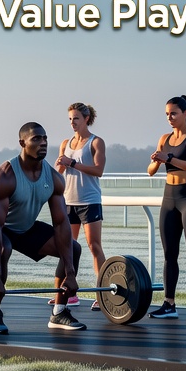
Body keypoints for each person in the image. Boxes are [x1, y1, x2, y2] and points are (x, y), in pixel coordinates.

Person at [0, 122, 84, 334]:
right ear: (22, 143)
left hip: (24, 228)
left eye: (45, 138)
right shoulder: (4, 176)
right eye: (36, 138)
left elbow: (61, 223)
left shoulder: (53, 178)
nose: (43, 143)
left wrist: (70, 273)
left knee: (73, 248)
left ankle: (59, 311)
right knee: (4, 248)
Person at [147, 95, 186, 322]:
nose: (170, 118)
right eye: (167, 114)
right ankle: (169, 304)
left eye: (173, 113)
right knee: (169, 254)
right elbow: (151, 171)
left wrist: (170, 158)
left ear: (185, 113)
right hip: (169, 198)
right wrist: (157, 160)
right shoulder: (164, 139)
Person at [55, 104, 105, 310]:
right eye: (70, 119)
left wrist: (73, 163)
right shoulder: (65, 143)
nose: (72, 122)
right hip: (69, 202)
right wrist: (61, 164)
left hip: (90, 201)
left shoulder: (96, 142)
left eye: (76, 118)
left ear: (86, 118)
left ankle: (101, 294)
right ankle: (68, 294)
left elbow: (99, 170)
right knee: (68, 248)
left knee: (94, 246)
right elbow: (58, 172)